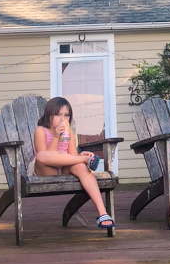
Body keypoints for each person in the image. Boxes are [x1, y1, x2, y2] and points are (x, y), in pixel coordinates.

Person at [32, 97, 115, 229]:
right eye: (58, 114)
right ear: (48, 115)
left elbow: (72, 157)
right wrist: (56, 137)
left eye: (66, 115)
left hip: (63, 167)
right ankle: (85, 161)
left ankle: (103, 213)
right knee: (41, 155)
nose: (62, 119)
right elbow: (45, 156)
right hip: (45, 170)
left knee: (80, 166)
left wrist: (79, 156)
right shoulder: (41, 131)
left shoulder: (69, 132)